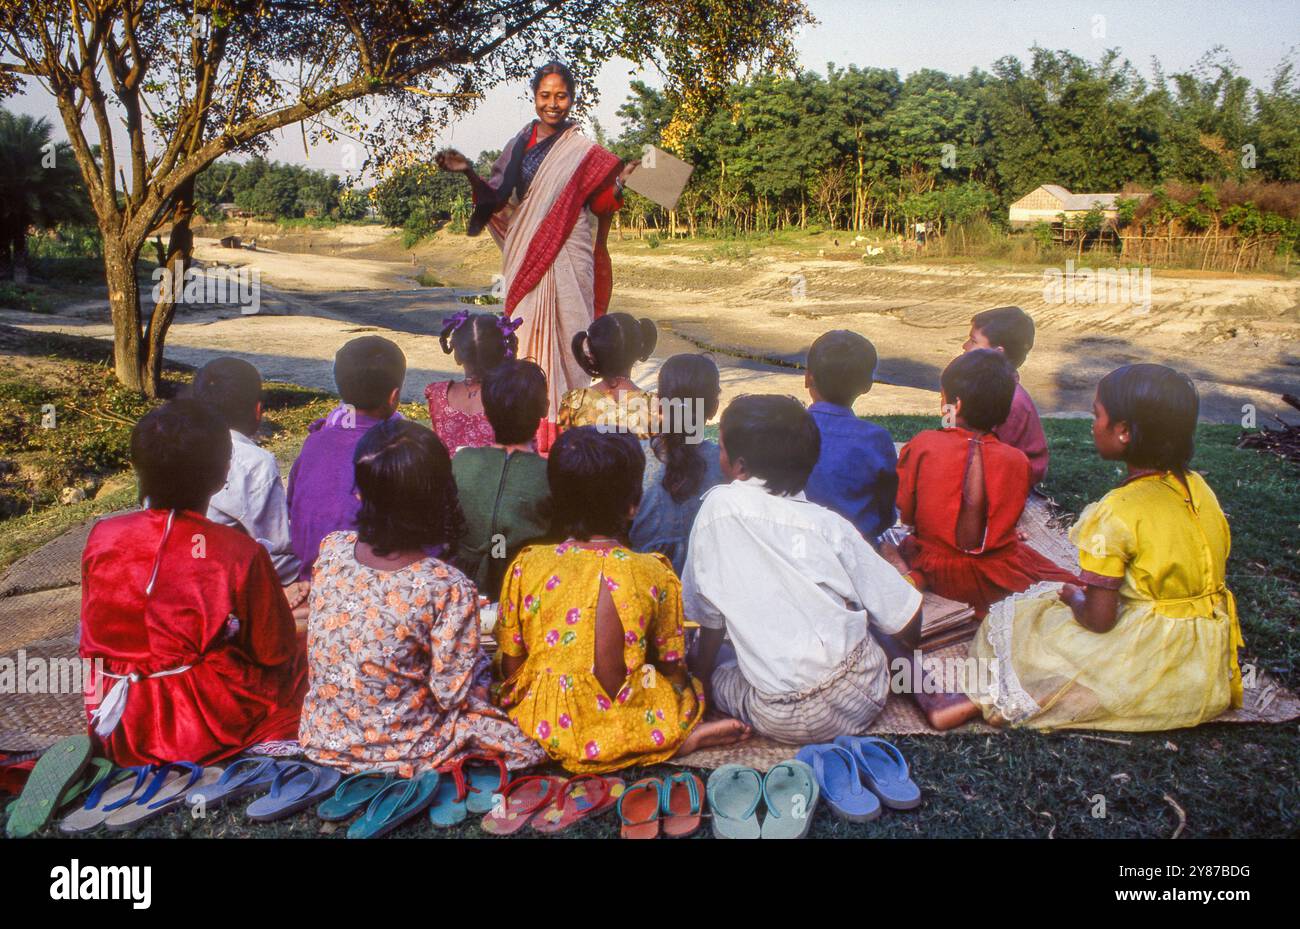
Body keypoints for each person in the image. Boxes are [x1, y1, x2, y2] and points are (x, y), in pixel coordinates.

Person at [960, 364, 1245, 732]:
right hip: (1204, 661)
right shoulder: (1199, 488)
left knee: (1024, 616)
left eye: (1097, 416)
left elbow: (1099, 620)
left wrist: (1072, 598)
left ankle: (1041, 698)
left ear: (1124, 431)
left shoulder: (1115, 513)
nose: (1092, 425)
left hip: (1149, 652)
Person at [495, 427, 749, 773]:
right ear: (633, 505)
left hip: (547, 721)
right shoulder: (654, 572)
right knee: (676, 685)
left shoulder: (528, 564)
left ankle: (610, 740)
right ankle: (672, 740)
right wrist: (680, 690)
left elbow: (512, 664)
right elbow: (672, 667)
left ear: (554, 499)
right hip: (636, 713)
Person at [299, 420, 543, 776]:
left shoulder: (333, 550)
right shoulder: (445, 586)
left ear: (361, 494)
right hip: (405, 746)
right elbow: (451, 695)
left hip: (324, 737)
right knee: (526, 743)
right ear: (439, 500)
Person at [683, 395, 923, 744]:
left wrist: (700, 683)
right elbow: (909, 621)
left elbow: (709, 619)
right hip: (864, 692)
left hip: (781, 716)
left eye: (719, 447)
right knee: (857, 613)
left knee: (720, 661)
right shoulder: (830, 526)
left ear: (739, 466)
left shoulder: (716, 509)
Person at [80, 400, 306, 766]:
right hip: (197, 721)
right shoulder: (239, 552)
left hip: (114, 717)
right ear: (221, 475)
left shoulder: (102, 536)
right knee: (309, 648)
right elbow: (273, 652)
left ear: (139, 470)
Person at [436, 61, 639, 452]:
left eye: (560, 96)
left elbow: (600, 203)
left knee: (573, 336)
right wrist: (468, 173)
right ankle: (529, 428)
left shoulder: (584, 150)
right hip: (528, 251)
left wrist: (620, 183)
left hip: (571, 252)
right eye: (545, 96)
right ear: (534, 98)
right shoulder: (519, 144)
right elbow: (498, 196)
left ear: (572, 98)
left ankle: (572, 432)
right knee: (527, 335)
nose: (552, 104)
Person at [889, 350, 1077, 614]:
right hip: (995, 576)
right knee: (1054, 576)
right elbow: (1006, 521)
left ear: (957, 405)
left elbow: (906, 512)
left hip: (933, 567)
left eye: (943, 398)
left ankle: (917, 580)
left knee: (894, 550)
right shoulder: (1017, 460)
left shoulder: (923, 445)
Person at [287, 336, 405, 580]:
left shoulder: (315, 443)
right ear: (394, 396)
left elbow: (293, 508)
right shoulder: (404, 449)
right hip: (375, 586)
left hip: (313, 578)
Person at [190, 358, 303, 594]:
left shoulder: (177, 443)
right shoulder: (254, 463)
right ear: (258, 409)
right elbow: (276, 551)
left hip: (181, 570)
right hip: (222, 585)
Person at [452, 359, 552, 598]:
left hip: (464, 588)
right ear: (545, 408)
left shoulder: (461, 462)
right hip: (530, 591)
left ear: (485, 410)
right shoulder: (553, 475)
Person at [629, 353, 726, 576]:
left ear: (659, 405)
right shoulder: (725, 465)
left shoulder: (634, 457)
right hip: (703, 592)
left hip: (642, 589)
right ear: (714, 408)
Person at [803, 330, 898, 545]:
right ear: (867, 385)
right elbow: (887, 512)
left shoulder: (785, 427)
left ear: (808, 377)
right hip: (856, 548)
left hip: (791, 547)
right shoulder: (875, 439)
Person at [963, 306, 1048, 486]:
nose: (965, 346)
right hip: (986, 462)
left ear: (997, 353)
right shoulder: (985, 386)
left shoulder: (1010, 401)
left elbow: (997, 459)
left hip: (1010, 478)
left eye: (973, 341)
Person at [426, 311, 522, 456]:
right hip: (497, 477)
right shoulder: (511, 396)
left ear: (458, 356)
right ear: (502, 353)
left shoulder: (437, 394)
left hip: (449, 477)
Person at [558, 312, 657, 439]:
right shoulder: (654, 406)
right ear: (638, 351)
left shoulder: (573, 402)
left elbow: (566, 449)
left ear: (592, 354)